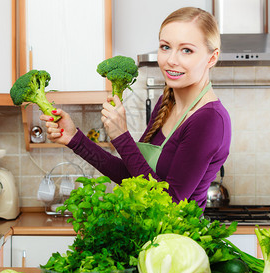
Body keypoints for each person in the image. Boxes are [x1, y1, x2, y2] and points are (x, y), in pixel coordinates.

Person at [39, 7, 231, 210]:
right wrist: (74, 139)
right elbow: (132, 177)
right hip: (151, 237)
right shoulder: (167, 102)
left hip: (178, 239)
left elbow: (170, 204)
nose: (171, 60)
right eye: (165, 47)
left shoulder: (209, 120)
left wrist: (122, 137)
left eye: (187, 50)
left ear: (212, 58)